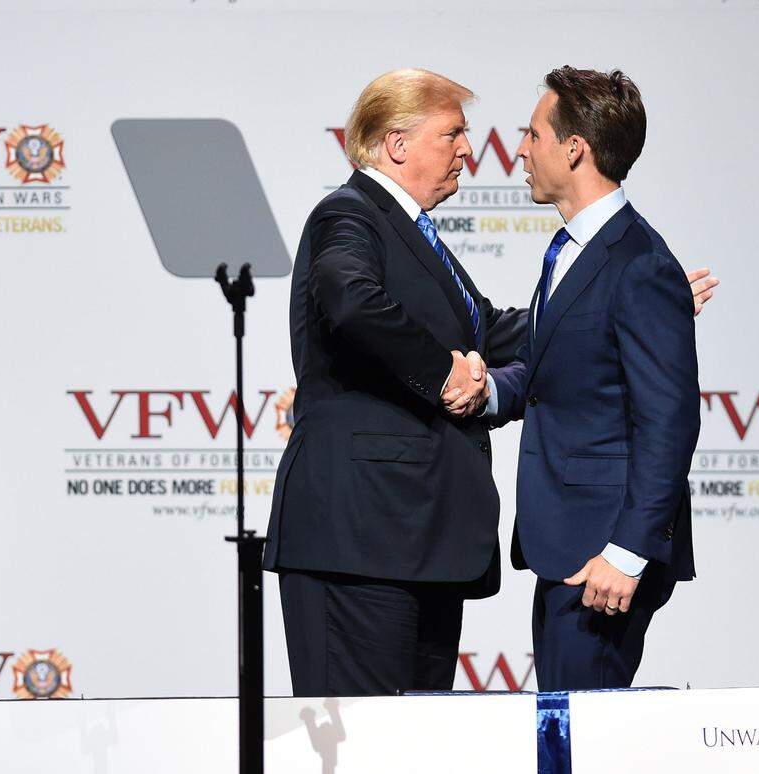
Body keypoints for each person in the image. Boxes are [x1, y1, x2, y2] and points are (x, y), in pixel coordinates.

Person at [265, 68, 717, 697]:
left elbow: (493, 330)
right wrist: (443, 369)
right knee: (359, 753)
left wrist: (633, 306)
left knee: (418, 751)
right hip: (356, 541)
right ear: (397, 144)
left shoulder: (426, 238)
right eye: (453, 133)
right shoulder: (348, 215)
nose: (471, 150)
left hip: (418, 547)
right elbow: (352, 301)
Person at [479, 66, 700, 691]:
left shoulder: (640, 264)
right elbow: (558, 375)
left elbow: (669, 421)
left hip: (606, 560)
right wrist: (491, 389)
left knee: (582, 742)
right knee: (561, 738)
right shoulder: (569, 250)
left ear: (574, 148)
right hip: (568, 546)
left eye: (533, 134)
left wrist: (628, 553)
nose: (521, 149)